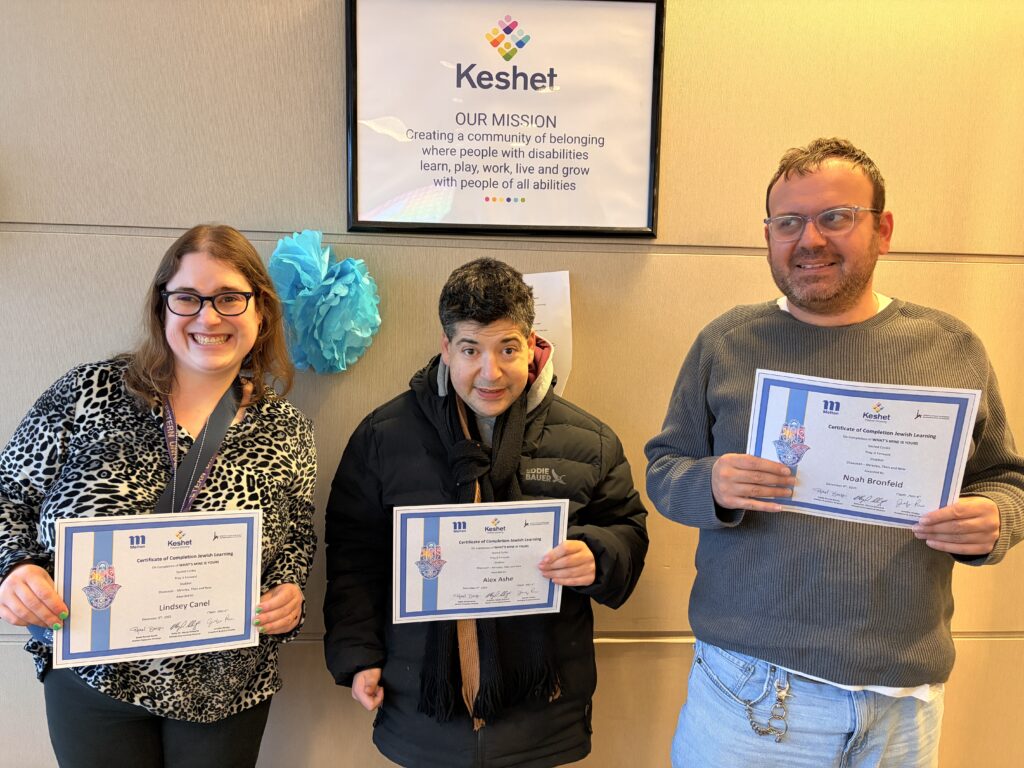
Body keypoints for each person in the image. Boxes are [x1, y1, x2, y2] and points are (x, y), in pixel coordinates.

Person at [645, 137, 1024, 768]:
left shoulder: (949, 346)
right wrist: (710, 483)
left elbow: (1005, 479)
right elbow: (665, 468)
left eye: (836, 217)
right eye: (788, 222)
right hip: (751, 693)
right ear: (769, 235)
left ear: (884, 228)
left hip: (903, 699)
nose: (810, 239)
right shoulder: (727, 341)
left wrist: (995, 520)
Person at [0, 225, 317, 768]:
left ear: (260, 312)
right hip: (94, 678)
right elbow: (9, 495)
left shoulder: (286, 428)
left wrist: (289, 589)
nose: (209, 317)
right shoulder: (88, 392)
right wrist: (16, 566)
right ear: (162, 308)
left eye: (229, 298)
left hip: (226, 687)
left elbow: (299, 534)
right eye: (188, 298)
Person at [324, 257, 648, 767]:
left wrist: (599, 556)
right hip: (421, 702)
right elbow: (353, 553)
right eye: (471, 350)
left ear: (531, 344)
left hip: (543, 707)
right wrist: (358, 656)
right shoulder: (383, 437)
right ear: (446, 348)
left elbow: (627, 530)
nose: (490, 373)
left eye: (507, 349)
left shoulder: (590, 441)